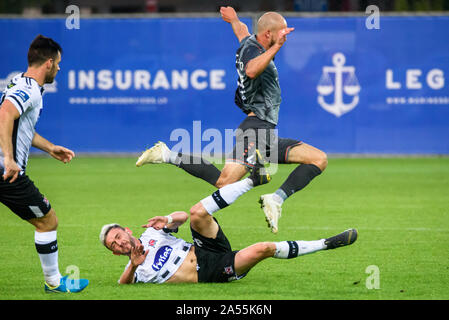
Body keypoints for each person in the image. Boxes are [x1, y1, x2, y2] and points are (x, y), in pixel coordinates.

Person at [136, 7, 328, 234]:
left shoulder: (250, 42)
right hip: (255, 130)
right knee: (224, 182)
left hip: (265, 132)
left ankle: (275, 199)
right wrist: (277, 46)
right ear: (268, 34)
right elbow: (252, 70)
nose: (284, 37)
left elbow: (242, 31)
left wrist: (234, 19)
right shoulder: (257, 54)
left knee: (318, 159)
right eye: (281, 33)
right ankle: (166, 154)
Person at [100, 164, 357, 284]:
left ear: (127, 231)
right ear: (114, 252)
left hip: (203, 247)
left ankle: (252, 181)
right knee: (263, 248)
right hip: (210, 270)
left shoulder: (150, 236)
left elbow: (182, 218)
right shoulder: (133, 271)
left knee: (197, 212)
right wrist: (133, 266)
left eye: (118, 235)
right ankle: (326, 243)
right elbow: (122, 286)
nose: (120, 242)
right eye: (114, 244)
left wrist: (166, 219)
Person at [0, 34, 89, 293]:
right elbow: (5, 113)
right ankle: (54, 281)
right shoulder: (27, 89)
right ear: (48, 63)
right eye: (58, 63)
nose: (59, 68)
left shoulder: (20, 82)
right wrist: (9, 159)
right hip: (8, 173)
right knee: (47, 221)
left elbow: (19, 125)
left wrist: (50, 147)